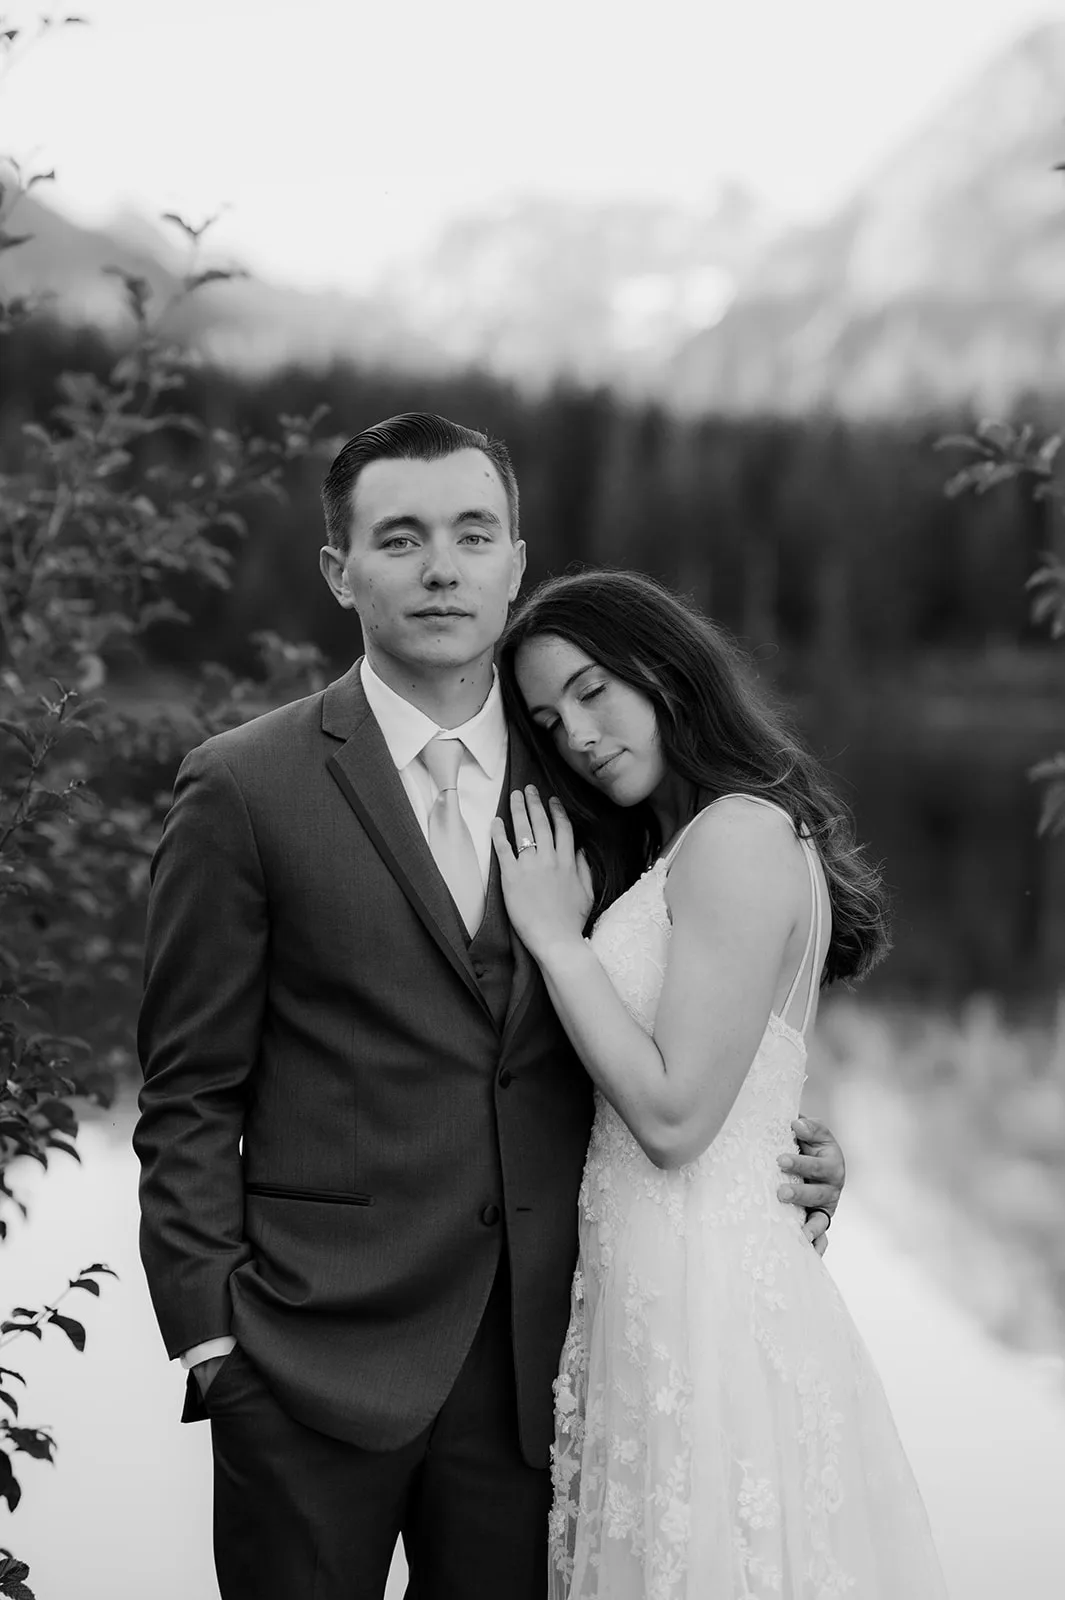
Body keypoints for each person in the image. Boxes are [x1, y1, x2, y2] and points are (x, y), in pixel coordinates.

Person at [133, 415, 847, 1600]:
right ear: (339, 570)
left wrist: (797, 1144)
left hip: (551, 1373)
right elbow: (188, 1092)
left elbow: (705, 1007)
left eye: (473, 534)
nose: (441, 568)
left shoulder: (601, 781)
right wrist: (214, 1342)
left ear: (515, 562)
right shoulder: (244, 786)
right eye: (400, 538)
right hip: (306, 1362)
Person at [492, 568, 948, 1598]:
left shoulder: (738, 834)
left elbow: (674, 1118)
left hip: (708, 1293)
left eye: (593, 690)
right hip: (653, 1280)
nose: (578, 735)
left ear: (667, 668)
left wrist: (558, 943)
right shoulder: (676, 843)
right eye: (550, 720)